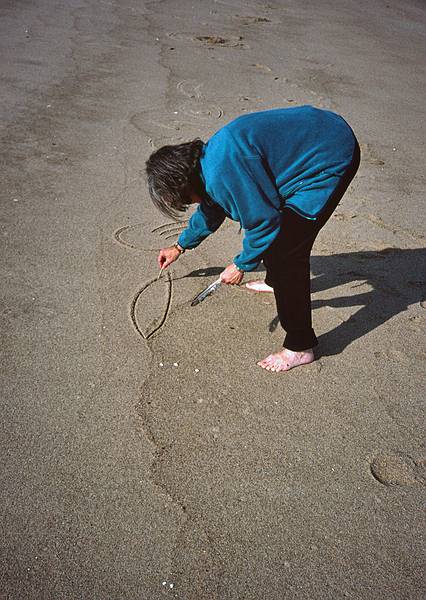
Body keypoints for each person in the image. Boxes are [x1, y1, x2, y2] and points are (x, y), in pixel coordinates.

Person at [145, 105, 360, 373]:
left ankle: (300, 346)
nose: (188, 203)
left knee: (286, 254)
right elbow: (211, 208)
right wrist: (180, 246)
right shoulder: (205, 165)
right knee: (275, 245)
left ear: (183, 181)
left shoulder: (223, 170)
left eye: (184, 199)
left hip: (330, 153)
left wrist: (241, 265)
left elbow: (263, 222)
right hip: (312, 135)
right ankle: (276, 283)